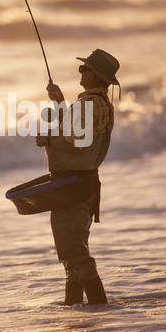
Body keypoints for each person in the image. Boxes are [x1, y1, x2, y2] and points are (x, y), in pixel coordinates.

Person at [35, 49, 120, 306]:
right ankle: (74, 309)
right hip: (83, 184)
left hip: (72, 186)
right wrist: (60, 102)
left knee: (73, 252)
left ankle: (98, 307)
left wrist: (47, 140)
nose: (81, 73)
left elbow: (76, 143)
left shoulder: (90, 105)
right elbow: (77, 130)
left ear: (96, 77)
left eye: (85, 69)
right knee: (73, 251)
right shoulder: (99, 104)